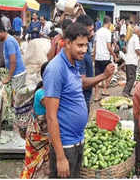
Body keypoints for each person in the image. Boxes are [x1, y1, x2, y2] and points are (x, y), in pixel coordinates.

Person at [43, 23, 114, 178]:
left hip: (78, 141)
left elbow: (80, 83)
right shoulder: (56, 69)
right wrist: (61, 157)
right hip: (65, 145)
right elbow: (51, 116)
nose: (84, 50)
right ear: (67, 43)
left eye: (86, 45)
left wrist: (104, 76)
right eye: (80, 45)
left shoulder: (73, 63)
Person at [20, 61, 50, 179]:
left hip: (45, 136)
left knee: (44, 167)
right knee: (33, 167)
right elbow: (54, 107)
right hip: (37, 137)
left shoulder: (49, 91)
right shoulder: (41, 93)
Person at [0, 21, 26, 86]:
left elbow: (13, 61)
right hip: (15, 74)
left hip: (17, 75)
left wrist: (8, 78)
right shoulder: (7, 40)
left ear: (1, 32)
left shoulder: (9, 42)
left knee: (16, 95)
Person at [94, 16, 117, 101]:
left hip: (98, 57)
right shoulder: (108, 32)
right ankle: (105, 89)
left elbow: (95, 46)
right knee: (111, 71)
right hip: (105, 56)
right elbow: (109, 46)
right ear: (109, 23)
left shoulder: (98, 31)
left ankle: (96, 95)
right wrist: (114, 55)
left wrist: (94, 57)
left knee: (97, 76)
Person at [122, 26, 140, 97]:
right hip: (132, 61)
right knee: (132, 78)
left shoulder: (131, 38)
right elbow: (137, 49)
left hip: (129, 60)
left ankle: (127, 92)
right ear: (137, 31)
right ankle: (125, 92)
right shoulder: (136, 38)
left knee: (129, 78)